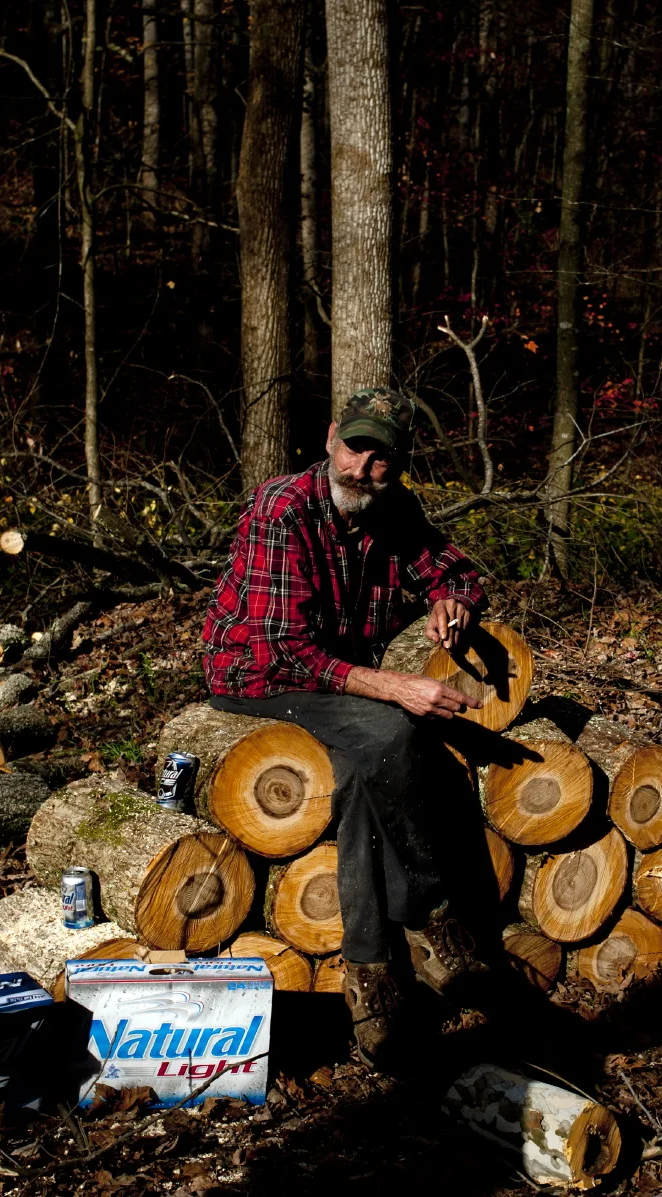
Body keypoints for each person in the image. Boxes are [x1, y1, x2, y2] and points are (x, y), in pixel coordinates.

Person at [203, 387, 491, 1064]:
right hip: (259, 678)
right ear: (332, 436)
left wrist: (452, 601)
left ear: (400, 463)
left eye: (380, 458)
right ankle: (429, 914)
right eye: (354, 448)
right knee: (392, 733)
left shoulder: (394, 509)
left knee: (362, 772)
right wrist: (397, 687)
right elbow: (286, 651)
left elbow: (454, 569)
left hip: (332, 678)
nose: (360, 468)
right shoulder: (283, 508)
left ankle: (369, 971)